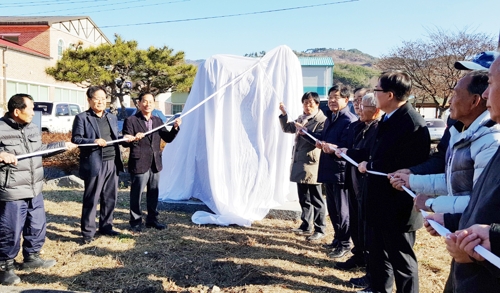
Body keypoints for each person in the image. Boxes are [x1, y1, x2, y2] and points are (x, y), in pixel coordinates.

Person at [426, 54, 500, 293]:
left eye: (490, 81)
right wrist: (451, 221)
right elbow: (484, 206)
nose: (487, 93)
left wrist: (493, 241)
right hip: (470, 274)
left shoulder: (491, 140)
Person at [358, 71, 430, 293]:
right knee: (379, 254)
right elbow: (375, 154)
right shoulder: (389, 119)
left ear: (389, 95)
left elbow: (403, 164)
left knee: (402, 262)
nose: (374, 94)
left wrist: (369, 167)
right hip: (379, 202)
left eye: (377, 90)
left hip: (398, 207)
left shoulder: (411, 123)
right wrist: (347, 152)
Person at [390, 70, 500, 214]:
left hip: (475, 231)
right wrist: (411, 181)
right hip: (465, 230)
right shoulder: (464, 133)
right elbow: (453, 181)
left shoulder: (490, 140)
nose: (449, 101)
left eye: (455, 94)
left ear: (474, 101)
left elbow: (479, 201)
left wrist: (431, 203)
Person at [0, 94, 77, 285]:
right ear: (17, 111)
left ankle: (32, 258)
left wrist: (62, 146)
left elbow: (40, 149)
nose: (34, 112)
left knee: (37, 224)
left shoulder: (33, 128)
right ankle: (5, 266)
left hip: (35, 186)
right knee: (10, 229)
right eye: (31, 108)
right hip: (13, 188)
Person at [329, 93, 382, 289]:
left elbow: (366, 154)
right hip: (354, 182)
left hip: (367, 185)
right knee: (357, 223)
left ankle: (370, 269)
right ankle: (359, 255)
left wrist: (347, 152)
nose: (358, 107)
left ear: (376, 110)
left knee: (368, 229)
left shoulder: (377, 129)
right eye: (357, 103)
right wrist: (340, 151)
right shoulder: (359, 126)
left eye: (363, 104)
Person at [72, 86, 134, 244]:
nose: (100, 101)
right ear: (89, 100)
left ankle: (106, 226)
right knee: (92, 199)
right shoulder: (82, 118)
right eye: (96, 98)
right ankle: (88, 232)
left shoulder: (111, 117)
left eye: (103, 98)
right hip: (94, 163)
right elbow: (76, 139)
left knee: (110, 197)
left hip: (112, 162)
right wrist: (93, 141)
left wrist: (124, 137)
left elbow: (115, 136)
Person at [123, 92, 181, 232]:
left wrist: (175, 128)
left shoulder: (157, 121)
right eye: (144, 101)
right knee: (137, 194)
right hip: (139, 162)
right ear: (139, 103)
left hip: (155, 162)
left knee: (153, 193)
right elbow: (125, 141)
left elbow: (167, 138)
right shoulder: (131, 120)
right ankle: (135, 222)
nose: (147, 104)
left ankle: (152, 220)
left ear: (154, 104)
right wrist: (132, 138)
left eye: (150, 102)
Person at [312, 84, 357, 254]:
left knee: (342, 210)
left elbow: (347, 147)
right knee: (333, 209)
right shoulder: (331, 117)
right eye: (330, 97)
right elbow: (324, 139)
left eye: (335, 97)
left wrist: (334, 147)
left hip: (340, 172)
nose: (331, 100)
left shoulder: (349, 120)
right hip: (328, 169)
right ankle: (338, 239)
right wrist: (313, 139)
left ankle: (345, 243)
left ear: (346, 100)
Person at [279, 92, 326, 240]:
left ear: (317, 104)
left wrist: (305, 132)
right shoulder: (301, 118)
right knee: (303, 196)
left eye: (311, 103)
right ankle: (306, 224)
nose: (307, 106)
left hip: (312, 164)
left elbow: (319, 140)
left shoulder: (322, 120)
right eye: (305, 103)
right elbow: (287, 128)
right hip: (300, 163)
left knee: (316, 198)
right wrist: (284, 114)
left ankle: (320, 228)